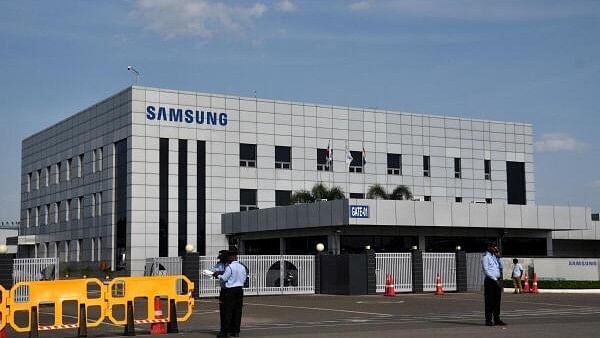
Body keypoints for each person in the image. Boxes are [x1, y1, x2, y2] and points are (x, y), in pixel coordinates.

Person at [216, 250, 247, 337]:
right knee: (237, 311)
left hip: (230, 291)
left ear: (230, 257)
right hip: (239, 290)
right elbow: (244, 279)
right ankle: (236, 331)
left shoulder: (230, 267)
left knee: (227, 311)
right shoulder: (242, 267)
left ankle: (226, 332)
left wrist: (217, 275)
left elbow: (223, 278)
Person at [481, 242, 506, 326]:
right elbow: (486, 270)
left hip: (497, 280)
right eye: (494, 247)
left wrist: (499, 257)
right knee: (489, 301)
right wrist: (495, 280)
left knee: (497, 301)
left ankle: (497, 319)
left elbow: (502, 266)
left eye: (496, 247)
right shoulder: (485, 257)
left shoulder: (495, 256)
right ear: (489, 247)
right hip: (490, 281)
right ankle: (488, 320)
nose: (495, 248)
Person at [212, 250, 229, 337]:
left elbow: (228, 274)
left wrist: (220, 273)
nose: (220, 259)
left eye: (222, 257)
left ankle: (228, 330)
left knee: (229, 311)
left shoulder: (230, 265)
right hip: (223, 289)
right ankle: (225, 329)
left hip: (230, 289)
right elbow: (214, 270)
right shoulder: (219, 264)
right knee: (223, 310)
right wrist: (215, 273)